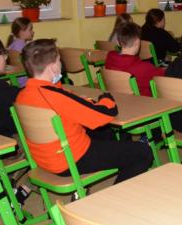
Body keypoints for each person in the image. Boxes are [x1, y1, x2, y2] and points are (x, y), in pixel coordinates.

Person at [15, 39, 152, 183]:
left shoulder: (22, 96)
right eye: (59, 60)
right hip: (71, 158)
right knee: (142, 152)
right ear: (52, 67)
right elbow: (104, 114)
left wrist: (74, 99)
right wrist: (106, 99)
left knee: (106, 133)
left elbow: (64, 102)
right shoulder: (55, 96)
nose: (61, 64)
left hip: (44, 158)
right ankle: (117, 193)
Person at [105, 22, 165, 96]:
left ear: (118, 42)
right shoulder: (144, 68)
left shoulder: (109, 58)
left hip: (117, 99)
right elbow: (164, 78)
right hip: (143, 101)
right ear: (137, 41)